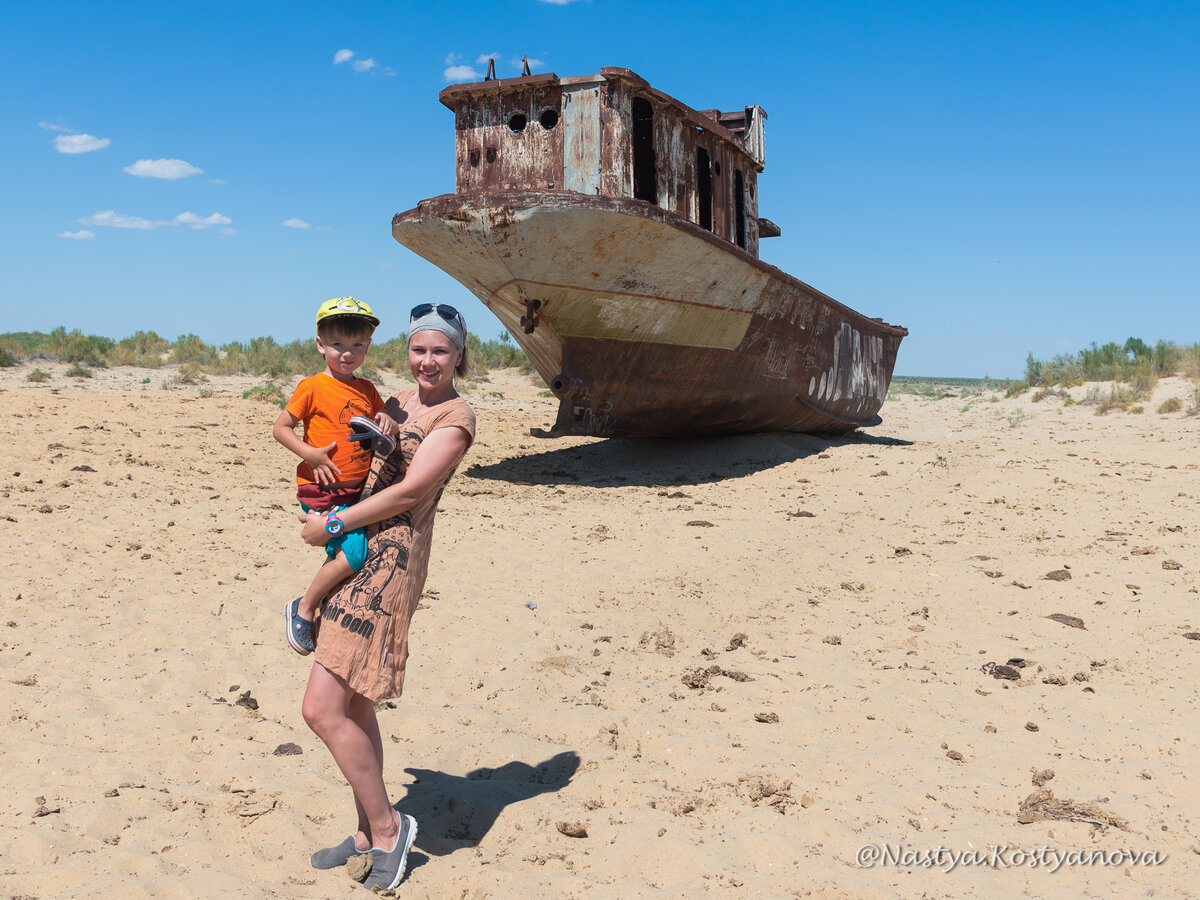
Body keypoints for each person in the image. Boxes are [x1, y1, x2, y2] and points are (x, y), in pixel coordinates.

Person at [297, 302, 476, 891]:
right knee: (356, 706)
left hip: (389, 563)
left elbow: (409, 493)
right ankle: (364, 832)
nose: (428, 361)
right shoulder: (395, 401)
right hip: (356, 552)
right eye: (420, 349)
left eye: (440, 351)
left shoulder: (455, 418)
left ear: (459, 356)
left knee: (321, 709)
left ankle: (389, 829)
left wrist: (337, 523)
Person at [273, 297, 398, 655]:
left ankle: (325, 604)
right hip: (322, 490)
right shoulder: (312, 386)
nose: (348, 353)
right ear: (320, 344)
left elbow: (380, 418)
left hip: (356, 493)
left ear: (368, 346)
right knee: (354, 555)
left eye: (357, 345)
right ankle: (304, 607)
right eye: (338, 345)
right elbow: (281, 428)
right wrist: (310, 454)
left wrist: (386, 416)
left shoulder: (367, 389)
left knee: (353, 552)